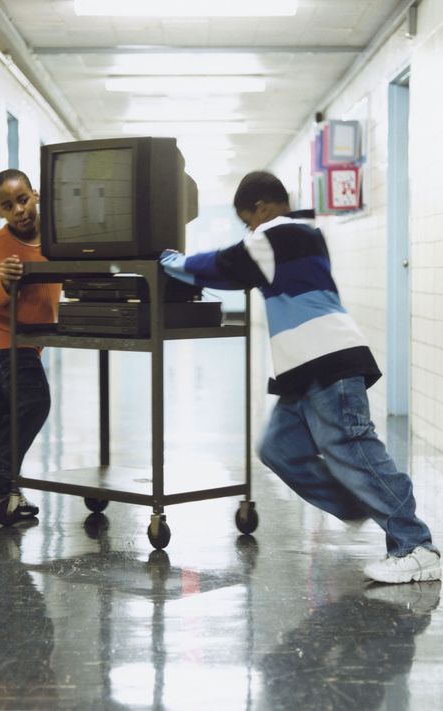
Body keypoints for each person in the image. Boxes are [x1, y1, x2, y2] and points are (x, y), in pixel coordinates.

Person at [160, 170, 441, 585]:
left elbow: (220, 267)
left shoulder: (276, 235)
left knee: (353, 448)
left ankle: (415, 546)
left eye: (247, 220)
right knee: (278, 447)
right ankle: (356, 503)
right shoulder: (303, 236)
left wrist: (167, 261)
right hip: (305, 368)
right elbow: (242, 269)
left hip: (328, 360)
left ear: (261, 208)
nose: (249, 229)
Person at [0, 169, 61, 521]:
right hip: (5, 338)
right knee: (33, 401)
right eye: (8, 206)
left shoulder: (54, 241)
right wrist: (3, 286)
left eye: (22, 200)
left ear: (35, 195)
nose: (19, 210)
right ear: (0, 212)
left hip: (31, 339)